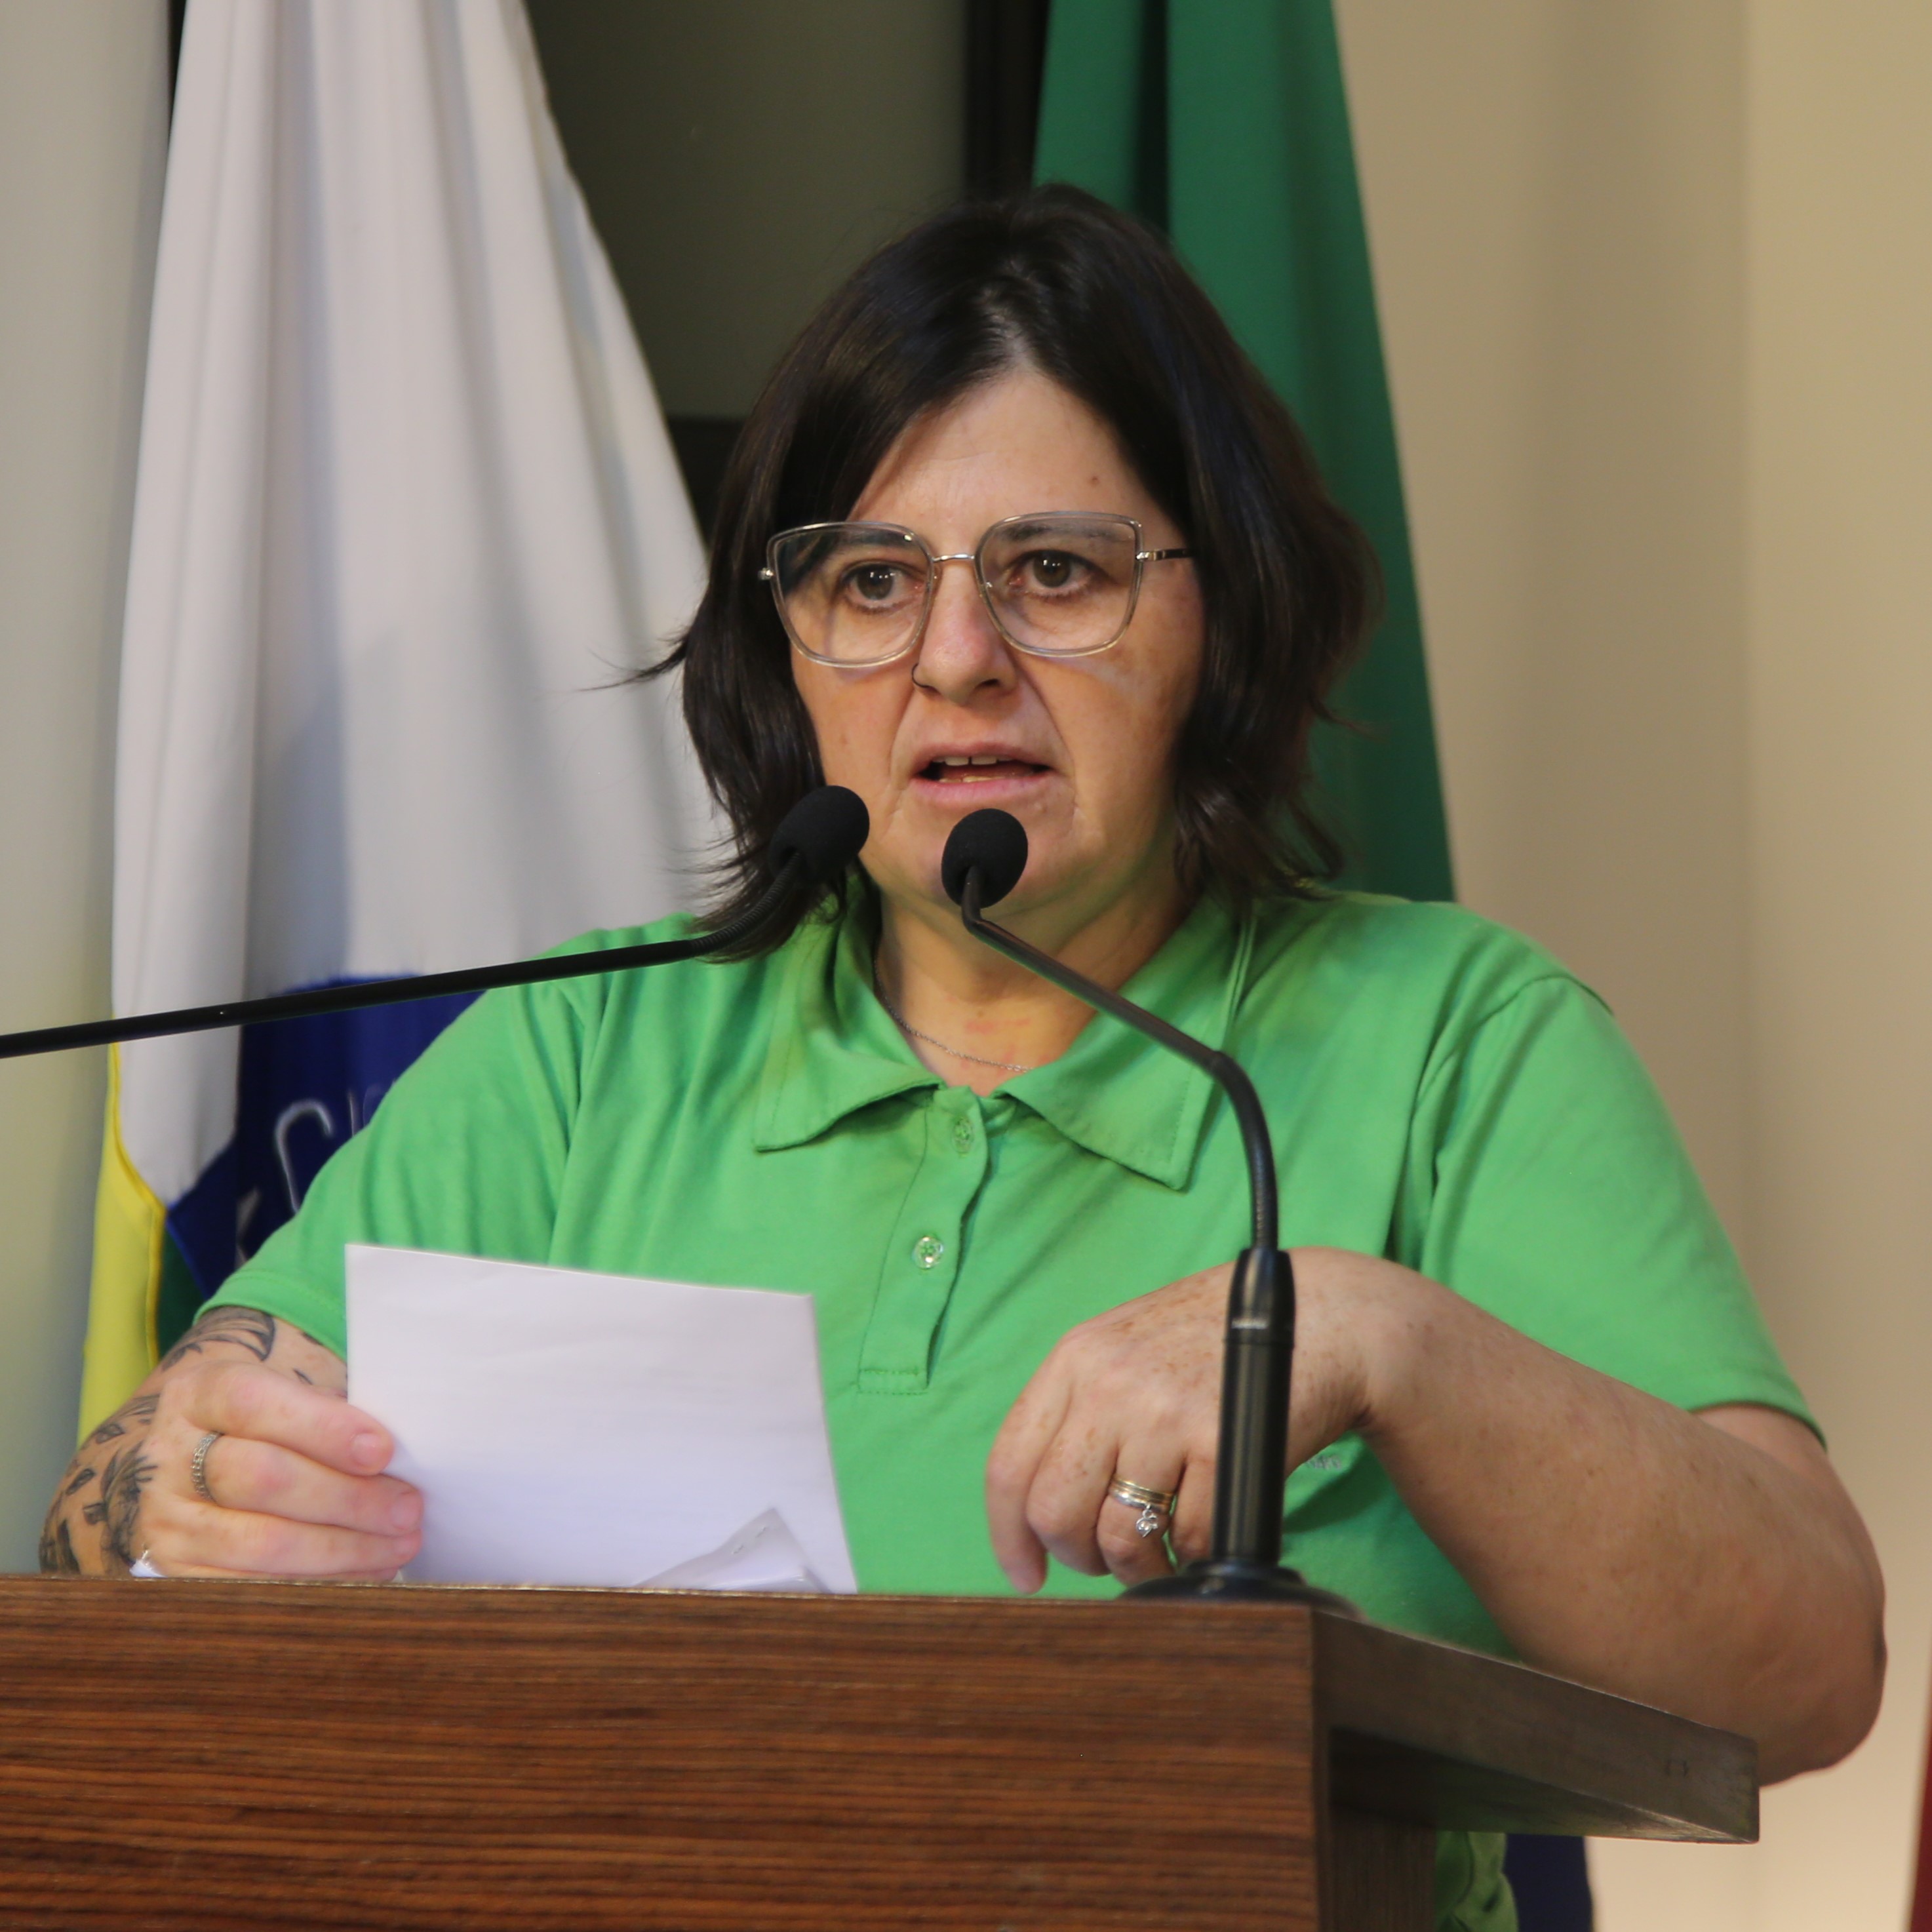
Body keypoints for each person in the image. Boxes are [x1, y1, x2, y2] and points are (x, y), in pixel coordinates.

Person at [44, 187, 1881, 1928]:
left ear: (1224, 616)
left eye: (1055, 571)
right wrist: (183, 1495)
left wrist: (1377, 1333)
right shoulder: (580, 1048)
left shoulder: (1453, 1043)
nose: (955, 658)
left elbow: (1807, 1664)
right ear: (786, 647)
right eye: (869, 581)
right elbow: (105, 1518)